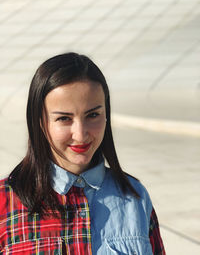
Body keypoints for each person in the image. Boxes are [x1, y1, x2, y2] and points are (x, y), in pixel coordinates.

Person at [0, 52, 165, 254]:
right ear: (40, 122)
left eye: (93, 115)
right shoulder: (5, 203)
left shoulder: (135, 197)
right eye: (64, 119)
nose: (80, 134)